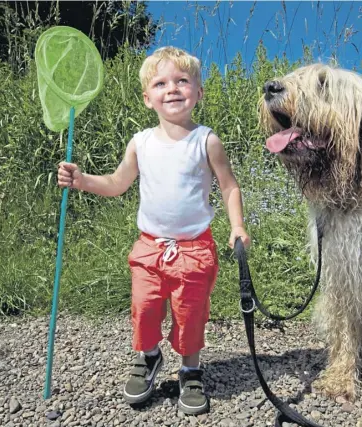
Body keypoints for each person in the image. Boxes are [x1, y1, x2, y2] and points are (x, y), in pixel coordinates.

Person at [57, 46, 251, 415]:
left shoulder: (206, 140)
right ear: (148, 99)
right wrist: (81, 180)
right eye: (161, 83)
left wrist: (237, 225)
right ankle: (148, 356)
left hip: (194, 249)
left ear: (199, 92)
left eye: (182, 81)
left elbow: (229, 186)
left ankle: (190, 370)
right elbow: (117, 183)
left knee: (190, 314)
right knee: (144, 309)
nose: (173, 89)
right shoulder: (140, 142)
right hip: (149, 248)